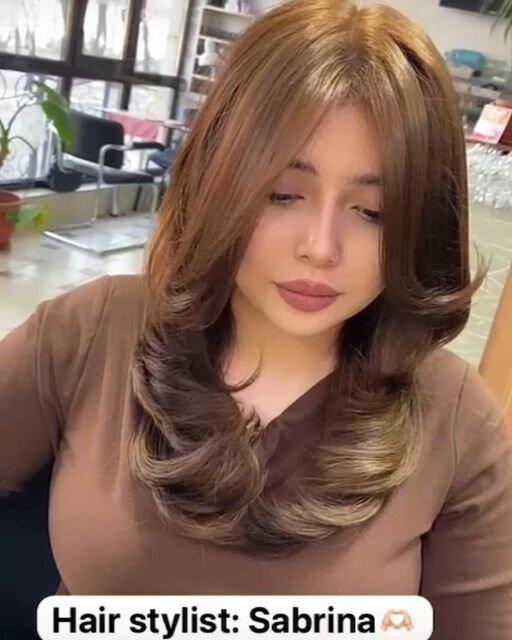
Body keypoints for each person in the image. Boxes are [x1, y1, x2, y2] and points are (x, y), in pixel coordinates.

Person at [1, 1, 511, 638]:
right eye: (283, 195)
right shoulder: (92, 332)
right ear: (221, 179)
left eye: (373, 212)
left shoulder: (458, 421)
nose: (320, 248)